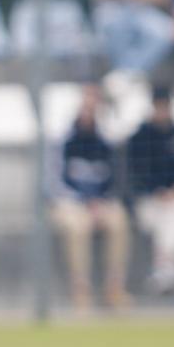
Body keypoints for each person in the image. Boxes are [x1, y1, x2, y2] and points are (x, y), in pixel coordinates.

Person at [51, 83, 131, 311]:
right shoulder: (63, 140)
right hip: (69, 203)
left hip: (100, 203)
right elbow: (53, 182)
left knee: (118, 220)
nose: (89, 111)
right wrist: (82, 201)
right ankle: (80, 289)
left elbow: (115, 180)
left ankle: (114, 288)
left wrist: (101, 202)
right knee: (79, 226)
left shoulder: (106, 141)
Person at [125, 86, 174, 296]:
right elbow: (135, 175)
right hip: (150, 201)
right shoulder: (140, 138)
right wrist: (158, 191)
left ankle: (165, 268)